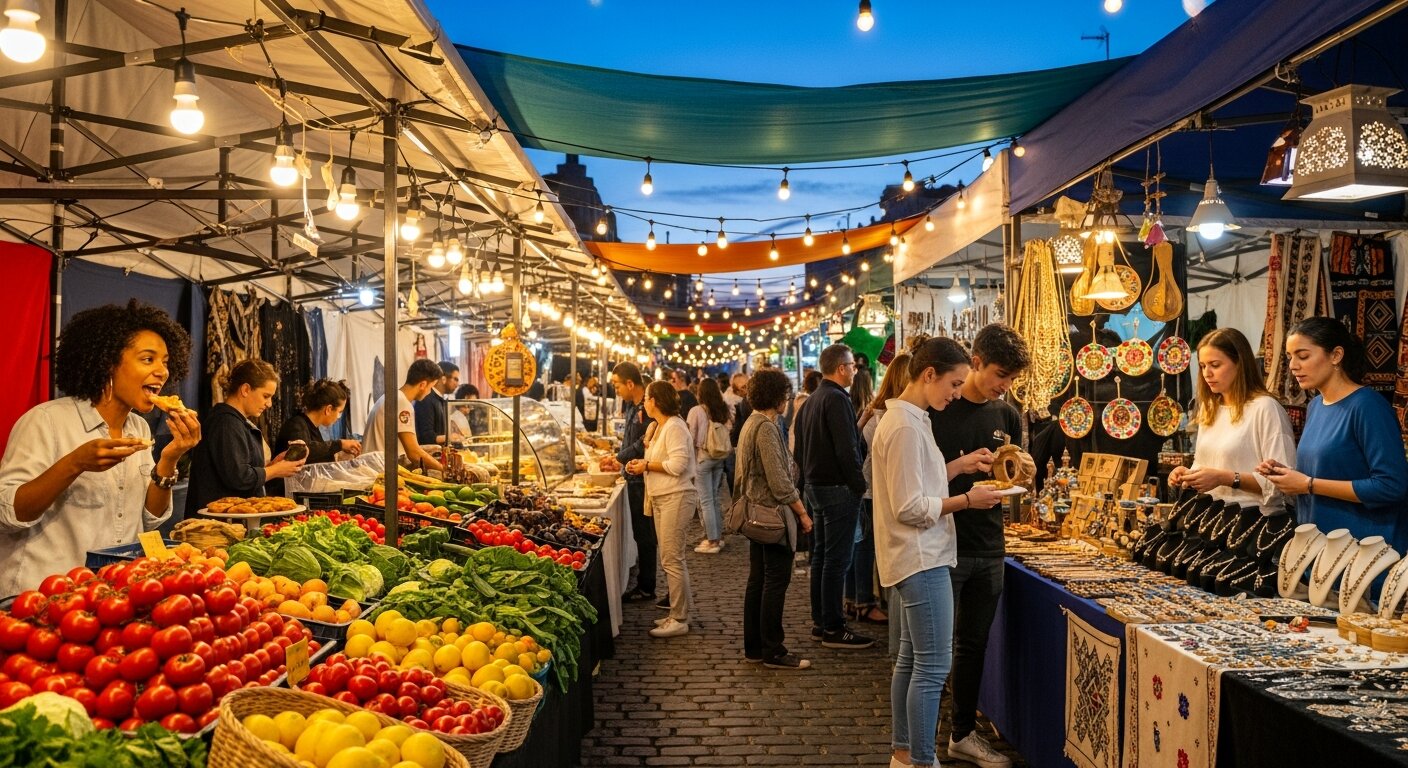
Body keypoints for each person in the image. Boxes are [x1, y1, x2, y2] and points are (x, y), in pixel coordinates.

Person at [0, 300, 201, 597]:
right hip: (42, 596)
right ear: (108, 362)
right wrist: (75, 463)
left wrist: (170, 458)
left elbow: (150, 519)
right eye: (148, 359)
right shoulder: (46, 421)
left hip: (109, 597)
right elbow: (7, 514)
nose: (162, 372)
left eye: (166, 362)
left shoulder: (139, 428)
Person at [874, 337, 1004, 768]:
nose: (956, 393)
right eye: (953, 384)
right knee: (931, 667)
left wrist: (959, 467)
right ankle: (922, 759)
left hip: (918, 556)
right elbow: (910, 507)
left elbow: (919, 482)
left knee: (912, 661)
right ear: (929, 375)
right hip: (921, 557)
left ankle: (905, 753)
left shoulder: (912, 419)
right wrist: (968, 500)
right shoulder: (905, 425)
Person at [926, 324, 1029, 768]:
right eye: (1000, 375)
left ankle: (962, 733)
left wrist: (1023, 473)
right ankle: (917, 745)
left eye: (1011, 379)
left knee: (973, 646)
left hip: (989, 545)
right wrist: (962, 470)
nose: (1004, 385)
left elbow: (1014, 477)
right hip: (943, 544)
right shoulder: (937, 409)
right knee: (931, 653)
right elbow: (919, 483)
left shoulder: (1006, 415)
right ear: (976, 362)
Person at [1258, 317, 1408, 552]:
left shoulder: (1367, 406)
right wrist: (1286, 475)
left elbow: (1391, 485)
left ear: (1336, 355)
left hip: (1363, 550)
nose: (1293, 366)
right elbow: (1331, 470)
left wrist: (1308, 485)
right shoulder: (1316, 406)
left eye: (1303, 356)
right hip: (1320, 546)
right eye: (1289, 357)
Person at [793, 343, 874, 649]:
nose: (855, 370)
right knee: (837, 560)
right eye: (852, 365)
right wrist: (858, 485)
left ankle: (822, 621)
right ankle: (833, 627)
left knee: (823, 557)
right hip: (837, 488)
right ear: (841, 368)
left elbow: (800, 449)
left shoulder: (813, 399)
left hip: (816, 487)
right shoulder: (837, 399)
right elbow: (847, 449)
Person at [1169, 328, 1295, 514]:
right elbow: (1207, 464)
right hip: (1211, 516)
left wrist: (1226, 478)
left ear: (1240, 364)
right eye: (1202, 366)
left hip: (1252, 519)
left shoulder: (1265, 408)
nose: (1207, 373)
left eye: (1215, 365)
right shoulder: (1210, 407)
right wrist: (1189, 474)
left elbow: (1283, 484)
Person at [736, 368, 814, 669]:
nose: (788, 400)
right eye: (785, 394)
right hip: (771, 516)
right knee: (774, 581)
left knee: (758, 580)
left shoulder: (752, 422)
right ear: (776, 396)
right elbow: (779, 482)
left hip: (757, 513)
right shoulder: (766, 428)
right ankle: (773, 649)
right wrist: (802, 513)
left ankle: (755, 647)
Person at [625, 381, 698, 638]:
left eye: (647, 397)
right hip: (662, 497)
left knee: (672, 559)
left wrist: (646, 466)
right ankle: (678, 612)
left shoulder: (675, 426)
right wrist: (640, 463)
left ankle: (680, 618)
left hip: (675, 497)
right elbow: (658, 460)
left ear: (655, 401)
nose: (644, 402)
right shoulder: (658, 427)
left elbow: (677, 465)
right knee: (670, 558)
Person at [187, 360, 305, 516]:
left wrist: (273, 465)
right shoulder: (226, 422)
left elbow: (239, 469)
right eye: (266, 396)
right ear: (245, 389)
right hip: (218, 523)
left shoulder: (236, 422)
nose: (269, 404)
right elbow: (239, 478)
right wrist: (275, 470)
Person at [852, 352, 911, 625]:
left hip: (870, 488)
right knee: (867, 547)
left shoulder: (875, 412)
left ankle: (857, 600)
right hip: (875, 490)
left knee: (863, 546)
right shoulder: (888, 416)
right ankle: (864, 602)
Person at [614, 362, 659, 603]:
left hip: (641, 480)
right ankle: (645, 581)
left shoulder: (647, 409)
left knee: (645, 534)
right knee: (641, 534)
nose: (616, 389)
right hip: (631, 476)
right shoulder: (632, 406)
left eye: (617, 385)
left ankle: (646, 586)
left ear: (630, 384)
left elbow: (643, 442)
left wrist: (619, 457)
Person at [270, 379, 363, 495]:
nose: (339, 417)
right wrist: (340, 444)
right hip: (283, 497)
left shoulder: (311, 427)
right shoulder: (296, 425)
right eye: (340, 412)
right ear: (328, 409)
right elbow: (306, 451)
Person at [364, 358, 444, 473]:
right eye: (431, 388)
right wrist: (443, 469)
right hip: (380, 473)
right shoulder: (402, 403)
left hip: (374, 467)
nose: (429, 392)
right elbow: (414, 453)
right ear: (422, 384)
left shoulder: (392, 397)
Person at [688, 377, 731, 554]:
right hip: (719, 457)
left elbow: (690, 437)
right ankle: (718, 537)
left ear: (701, 393)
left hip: (703, 458)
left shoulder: (696, 411)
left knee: (705, 500)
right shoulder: (722, 409)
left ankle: (712, 540)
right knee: (714, 498)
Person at [414, 361, 458, 446]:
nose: (457, 384)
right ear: (443, 379)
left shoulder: (441, 400)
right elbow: (425, 436)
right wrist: (450, 437)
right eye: (455, 379)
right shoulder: (426, 398)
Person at [788, 370, 823, 453]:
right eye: (821, 382)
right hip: (802, 448)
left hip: (798, 446)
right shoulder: (806, 401)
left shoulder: (805, 400)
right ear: (817, 383)